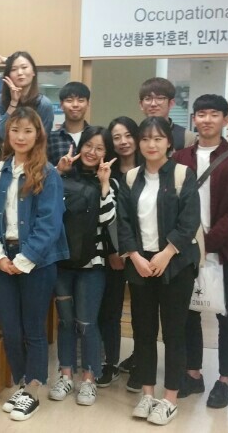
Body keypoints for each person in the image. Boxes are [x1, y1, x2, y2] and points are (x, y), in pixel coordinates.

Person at [0, 107, 68, 422]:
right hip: (4, 258)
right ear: (8, 133)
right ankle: (20, 382)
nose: (20, 136)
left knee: (33, 328)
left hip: (38, 261)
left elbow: (49, 223)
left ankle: (33, 389)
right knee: (11, 329)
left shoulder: (49, 173)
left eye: (28, 131)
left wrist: (24, 259)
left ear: (38, 135)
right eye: (15, 130)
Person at [117, 116, 200, 426]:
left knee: (174, 333)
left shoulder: (182, 174)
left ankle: (170, 398)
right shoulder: (131, 177)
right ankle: (148, 393)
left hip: (175, 264)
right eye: (145, 138)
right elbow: (123, 222)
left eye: (157, 138)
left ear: (169, 142)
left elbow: (189, 220)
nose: (151, 144)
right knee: (143, 332)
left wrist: (166, 253)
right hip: (140, 264)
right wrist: (135, 256)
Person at [171, 94, 228, 408]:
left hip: (226, 250)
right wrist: (188, 242)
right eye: (201, 114)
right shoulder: (180, 157)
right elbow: (172, 202)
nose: (207, 120)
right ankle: (193, 373)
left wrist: (209, 241)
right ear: (194, 119)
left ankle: (225, 379)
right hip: (187, 250)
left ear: (226, 119)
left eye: (214, 114)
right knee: (188, 313)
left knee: (227, 315)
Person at [48, 126, 116, 407]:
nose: (92, 152)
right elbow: (46, 207)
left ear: (106, 153)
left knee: (87, 323)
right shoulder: (63, 176)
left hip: (93, 265)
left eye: (99, 148)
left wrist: (104, 184)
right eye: (88, 145)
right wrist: (57, 172)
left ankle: (89, 378)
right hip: (62, 262)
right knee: (65, 321)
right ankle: (65, 375)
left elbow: (109, 222)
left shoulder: (109, 182)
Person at [99, 116, 143, 389]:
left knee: (141, 310)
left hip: (144, 253)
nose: (123, 141)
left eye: (128, 135)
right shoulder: (107, 171)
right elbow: (104, 216)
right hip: (114, 254)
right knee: (111, 309)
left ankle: (140, 360)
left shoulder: (148, 169)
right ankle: (110, 362)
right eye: (117, 137)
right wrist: (112, 251)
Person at [0, 51, 54, 139]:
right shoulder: (0, 100)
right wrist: (13, 103)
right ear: (8, 75)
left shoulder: (44, 104)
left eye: (24, 67)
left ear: (33, 72)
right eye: (14, 69)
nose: (20, 72)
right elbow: (1, 135)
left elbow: (43, 138)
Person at [138, 77, 196, 150]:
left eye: (159, 98)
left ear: (171, 103)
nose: (153, 104)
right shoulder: (134, 134)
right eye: (148, 99)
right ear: (141, 104)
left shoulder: (187, 137)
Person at [48, 82, 91, 169]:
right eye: (69, 100)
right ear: (61, 105)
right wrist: (59, 169)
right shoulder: (50, 139)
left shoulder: (95, 136)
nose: (75, 105)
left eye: (80, 100)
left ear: (88, 104)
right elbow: (43, 171)